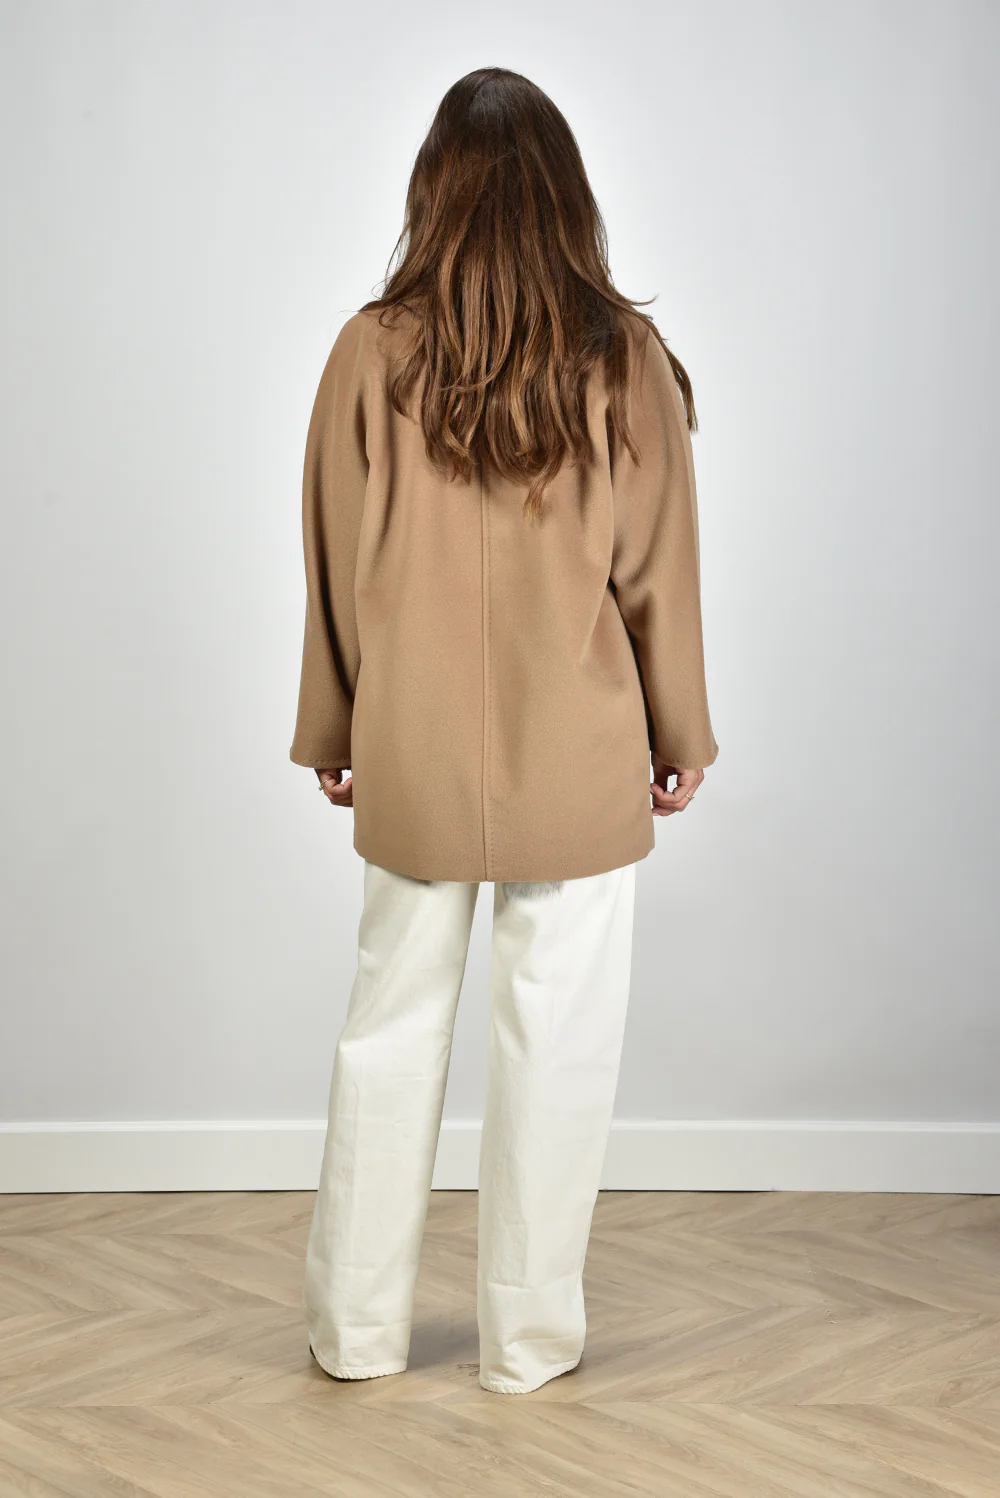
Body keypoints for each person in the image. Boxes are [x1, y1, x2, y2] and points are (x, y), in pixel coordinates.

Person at [289, 66, 719, 1396]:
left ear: (435, 190)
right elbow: (658, 568)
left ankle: (357, 1331)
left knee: (387, 1032)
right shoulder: (621, 357)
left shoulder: (369, 350)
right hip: (579, 750)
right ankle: (526, 1345)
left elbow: (332, 555)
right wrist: (679, 731)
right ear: (563, 194)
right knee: (559, 1045)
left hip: (414, 746)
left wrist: (336, 724)